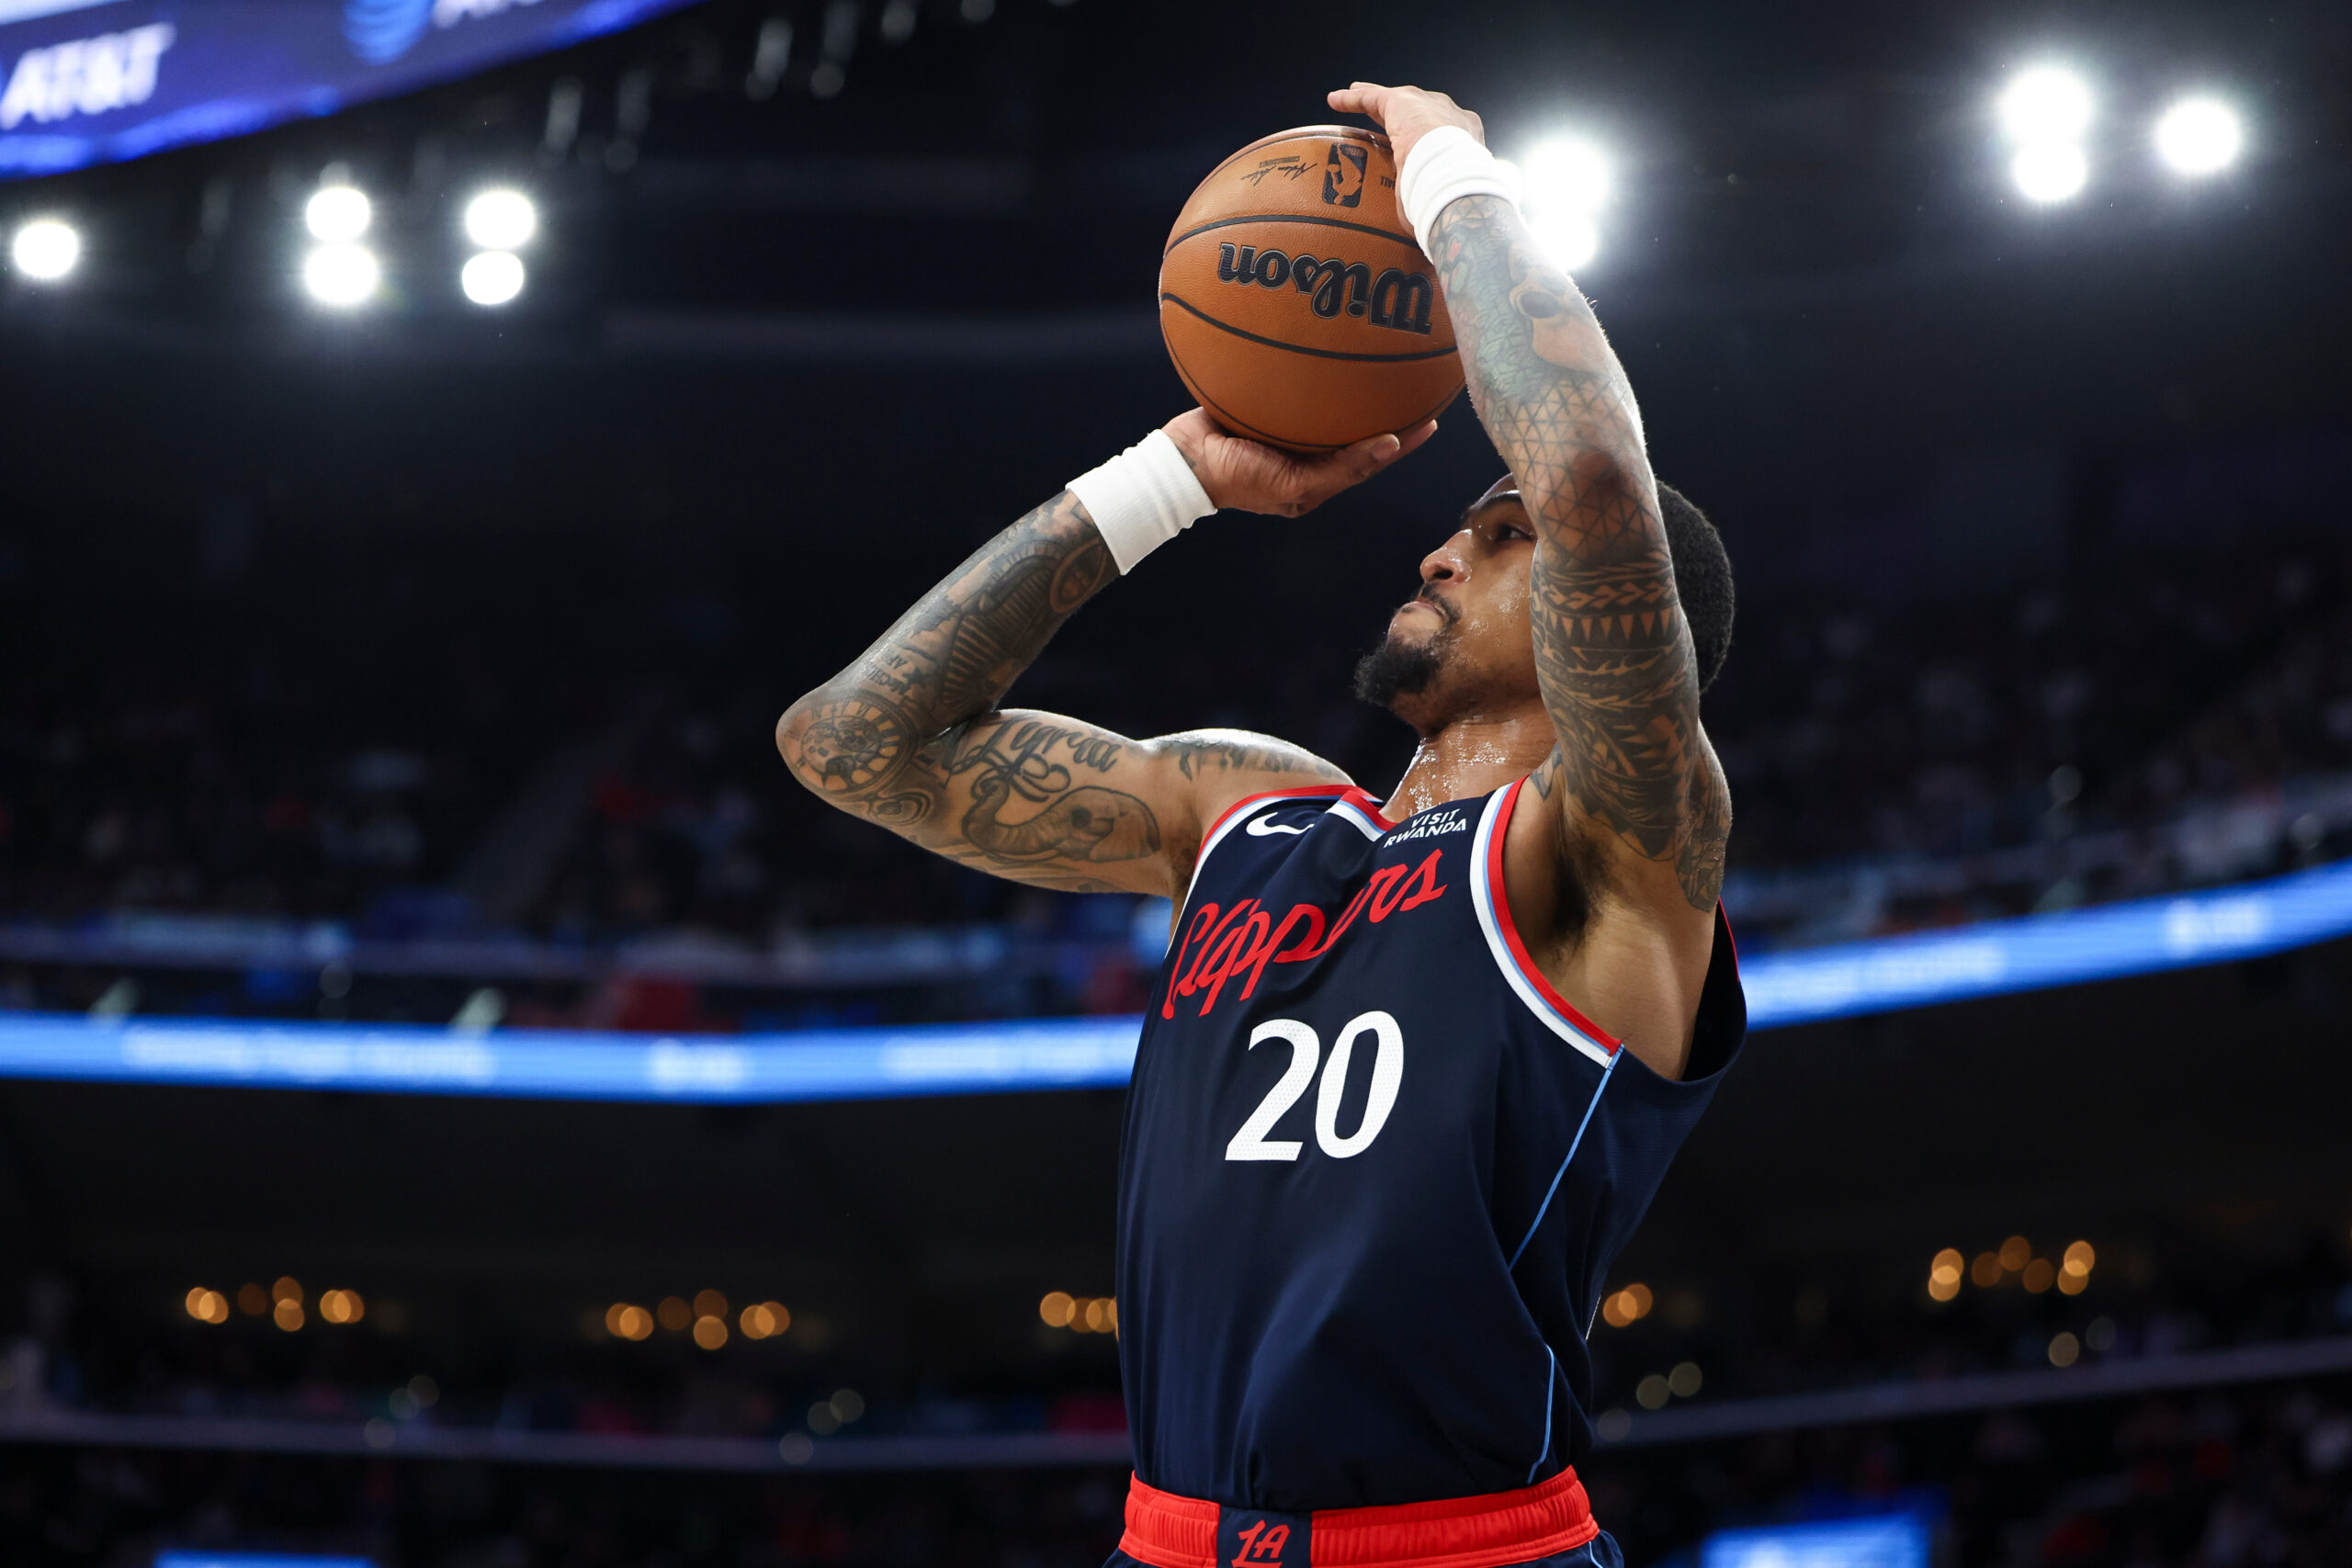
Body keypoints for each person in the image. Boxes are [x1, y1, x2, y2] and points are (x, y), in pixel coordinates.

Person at [779, 82, 1745, 1568]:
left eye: (1498, 536)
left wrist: (1451, 178)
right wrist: (1163, 482)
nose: (1438, 544)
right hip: (1164, 1543)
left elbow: (1597, 480)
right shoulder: (1253, 814)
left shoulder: (1609, 849)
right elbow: (850, 744)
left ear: (1607, 622)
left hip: (1462, 1551)